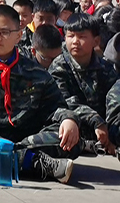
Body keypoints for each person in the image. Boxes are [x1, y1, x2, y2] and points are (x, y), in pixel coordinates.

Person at [0, 5, 81, 183]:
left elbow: (56, 107)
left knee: (72, 138)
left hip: (28, 136)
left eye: (4, 32)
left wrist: (68, 119)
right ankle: (34, 162)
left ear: (19, 35)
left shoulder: (35, 71)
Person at [49, 13, 118, 155]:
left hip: (103, 129)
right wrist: (96, 120)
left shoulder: (106, 67)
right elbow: (65, 102)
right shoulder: (59, 67)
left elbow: (114, 102)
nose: (75, 41)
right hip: (75, 125)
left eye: (82, 37)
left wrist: (110, 132)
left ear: (96, 41)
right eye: (70, 36)